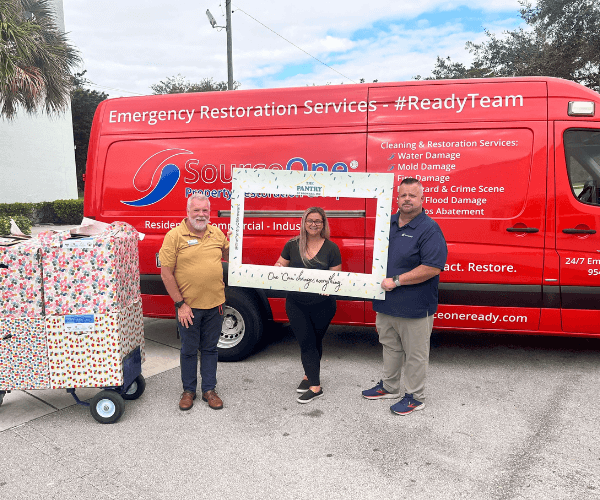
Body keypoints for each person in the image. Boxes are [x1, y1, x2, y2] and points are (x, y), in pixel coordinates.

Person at [362, 178, 447, 415]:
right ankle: (389, 386)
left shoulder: (429, 228)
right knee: (390, 347)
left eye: (412, 195)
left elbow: (432, 267)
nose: (407, 199)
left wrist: (398, 281)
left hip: (415, 305)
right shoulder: (386, 224)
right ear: (397, 198)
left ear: (422, 199)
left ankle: (415, 397)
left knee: (416, 354)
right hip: (386, 303)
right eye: (403, 195)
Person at [159, 193, 229, 411]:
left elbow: (229, 253)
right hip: (188, 308)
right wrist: (181, 304)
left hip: (215, 305)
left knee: (210, 349)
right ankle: (188, 391)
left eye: (205, 210)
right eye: (196, 210)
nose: (201, 214)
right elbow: (166, 273)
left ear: (210, 211)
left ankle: (209, 390)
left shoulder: (216, 233)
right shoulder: (174, 236)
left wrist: (236, 242)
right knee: (189, 350)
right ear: (187, 212)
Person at [275, 207, 342, 404]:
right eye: (310, 220)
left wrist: (329, 285)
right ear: (304, 223)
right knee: (306, 342)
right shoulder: (292, 245)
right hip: (296, 303)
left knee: (315, 340)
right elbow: (280, 265)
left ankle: (308, 375)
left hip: (323, 305)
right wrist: (278, 268)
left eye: (318, 221)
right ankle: (315, 386)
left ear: (323, 224)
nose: (314, 224)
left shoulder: (332, 248)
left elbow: (335, 277)